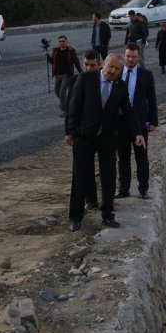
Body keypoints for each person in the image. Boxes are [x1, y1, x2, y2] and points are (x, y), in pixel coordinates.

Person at [65, 54, 145, 232]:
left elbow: (128, 111)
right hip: (84, 136)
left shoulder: (120, 86)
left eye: (117, 69)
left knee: (109, 177)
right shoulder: (86, 79)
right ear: (103, 65)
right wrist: (70, 132)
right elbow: (73, 107)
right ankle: (76, 217)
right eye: (111, 67)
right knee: (81, 176)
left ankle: (107, 214)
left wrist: (137, 133)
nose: (113, 71)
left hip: (107, 137)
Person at [116, 42, 158, 200]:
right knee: (123, 157)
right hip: (120, 123)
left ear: (139, 57)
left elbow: (151, 99)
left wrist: (153, 121)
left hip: (140, 122)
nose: (131, 59)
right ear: (123, 56)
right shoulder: (117, 73)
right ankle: (123, 189)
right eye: (128, 56)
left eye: (134, 57)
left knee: (141, 157)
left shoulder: (146, 75)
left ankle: (143, 189)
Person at [66, 50, 102, 212]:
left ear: (100, 65)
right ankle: (82, 207)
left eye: (92, 65)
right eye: (86, 65)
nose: (88, 68)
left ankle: (102, 203)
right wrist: (69, 132)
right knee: (81, 170)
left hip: (102, 133)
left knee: (104, 169)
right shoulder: (76, 80)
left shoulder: (106, 80)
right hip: (82, 132)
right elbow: (70, 109)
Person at [44, 35, 82, 117]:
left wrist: (81, 73)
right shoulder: (55, 51)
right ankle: (67, 102)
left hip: (67, 75)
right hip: (57, 75)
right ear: (58, 43)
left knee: (62, 92)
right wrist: (47, 56)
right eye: (60, 41)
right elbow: (52, 62)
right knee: (57, 91)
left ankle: (64, 111)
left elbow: (76, 62)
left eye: (63, 41)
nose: (62, 43)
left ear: (66, 42)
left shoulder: (71, 51)